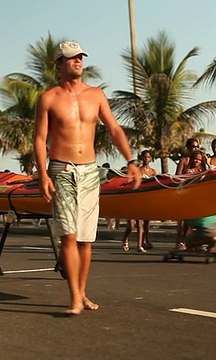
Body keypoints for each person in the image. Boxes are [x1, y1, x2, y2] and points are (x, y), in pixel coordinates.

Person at [34, 41, 141, 315]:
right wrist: (43, 174)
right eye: (70, 58)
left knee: (85, 239)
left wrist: (131, 161)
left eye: (80, 57)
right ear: (59, 64)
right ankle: (74, 298)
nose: (77, 61)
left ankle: (82, 292)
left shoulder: (96, 95)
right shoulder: (49, 98)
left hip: (90, 172)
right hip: (62, 170)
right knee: (68, 236)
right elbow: (40, 138)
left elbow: (114, 128)